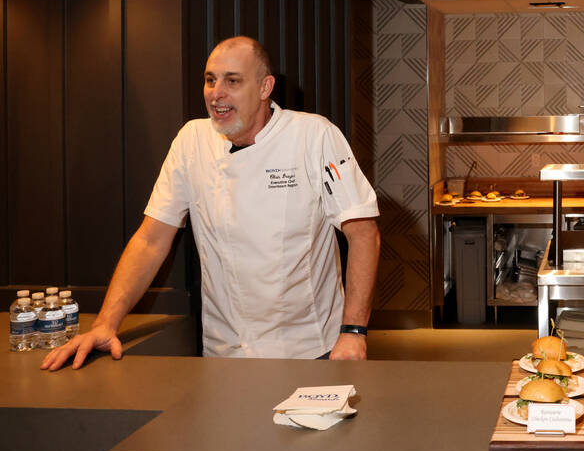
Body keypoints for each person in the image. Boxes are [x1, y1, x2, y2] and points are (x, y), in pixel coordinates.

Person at [42, 37, 380, 370]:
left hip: (309, 350)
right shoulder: (192, 140)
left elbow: (363, 234)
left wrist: (353, 331)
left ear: (265, 87)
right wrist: (106, 323)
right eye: (210, 80)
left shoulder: (314, 136)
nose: (216, 94)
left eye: (232, 81)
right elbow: (150, 240)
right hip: (224, 355)